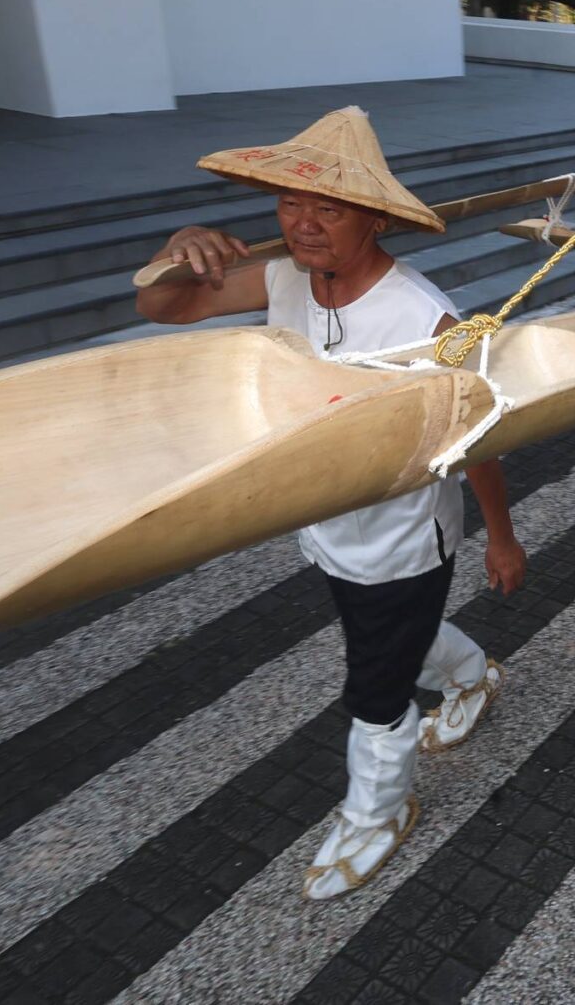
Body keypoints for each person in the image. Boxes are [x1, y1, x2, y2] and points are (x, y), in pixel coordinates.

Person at [135, 106, 525, 901]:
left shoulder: (429, 316)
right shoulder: (284, 276)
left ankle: (379, 811)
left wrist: (502, 537)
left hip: (405, 537)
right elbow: (167, 306)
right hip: (328, 524)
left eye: (329, 206)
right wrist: (176, 251)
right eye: (290, 203)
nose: (304, 224)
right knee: (387, 637)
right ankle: (474, 675)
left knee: (376, 690)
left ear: (374, 216)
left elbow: (479, 430)